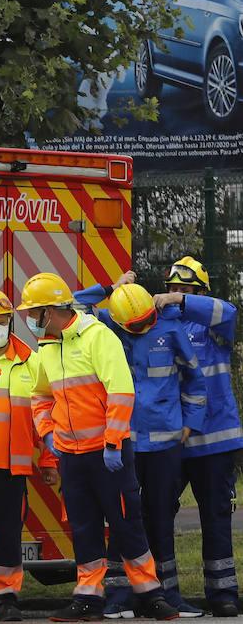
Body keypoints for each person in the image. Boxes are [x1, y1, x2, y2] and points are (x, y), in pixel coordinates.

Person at [18, 272, 177, 622]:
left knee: (127, 523)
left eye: (34, 312)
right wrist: (47, 435)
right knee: (84, 527)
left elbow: (121, 391)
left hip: (109, 453)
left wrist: (112, 443)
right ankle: (87, 598)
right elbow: (41, 396)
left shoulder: (97, 337)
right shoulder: (48, 345)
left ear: (52, 311)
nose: (29, 319)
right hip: (72, 457)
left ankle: (151, 595)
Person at [75, 276, 206, 617]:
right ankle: (119, 598)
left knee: (161, 517)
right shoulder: (106, 326)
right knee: (123, 518)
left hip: (165, 441)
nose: (146, 327)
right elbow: (74, 304)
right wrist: (109, 288)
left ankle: (168, 596)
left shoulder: (170, 327)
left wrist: (190, 421)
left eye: (149, 319)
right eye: (136, 325)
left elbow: (194, 377)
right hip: (123, 442)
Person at [154, 257, 243, 617]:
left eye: (185, 290)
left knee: (216, 518)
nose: (176, 295)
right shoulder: (158, 326)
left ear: (200, 294)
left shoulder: (215, 326)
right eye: (172, 289)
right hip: (171, 442)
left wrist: (180, 303)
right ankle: (162, 592)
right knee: (157, 516)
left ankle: (222, 594)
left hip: (215, 443)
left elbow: (230, 309)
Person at [0, 287, 59, 621]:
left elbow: (44, 416)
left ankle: (4, 596)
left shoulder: (32, 363)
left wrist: (49, 461)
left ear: (10, 321)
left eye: (0, 321)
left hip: (12, 467)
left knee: (7, 534)